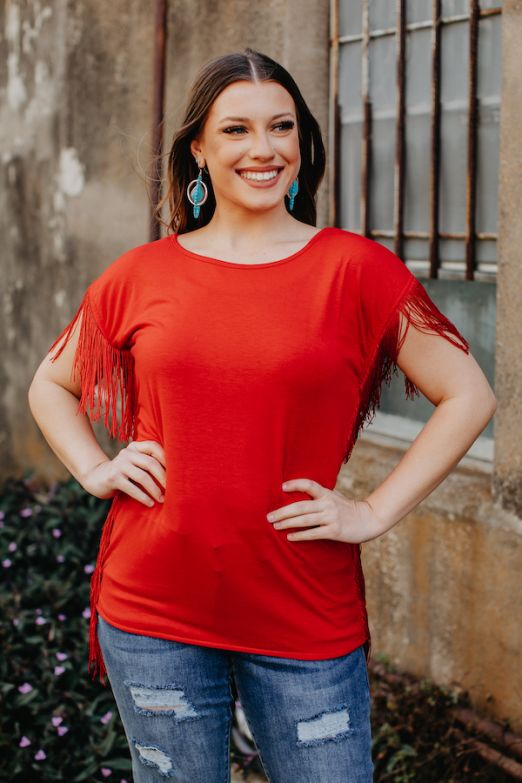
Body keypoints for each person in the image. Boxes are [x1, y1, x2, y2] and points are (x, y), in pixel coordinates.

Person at [28, 48, 496, 783]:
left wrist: (372, 511)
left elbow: (469, 394)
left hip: (305, 608)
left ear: (304, 144)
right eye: (237, 129)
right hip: (154, 608)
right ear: (200, 150)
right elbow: (50, 384)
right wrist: (95, 466)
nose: (263, 148)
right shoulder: (141, 274)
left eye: (281, 126)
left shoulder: (357, 271)